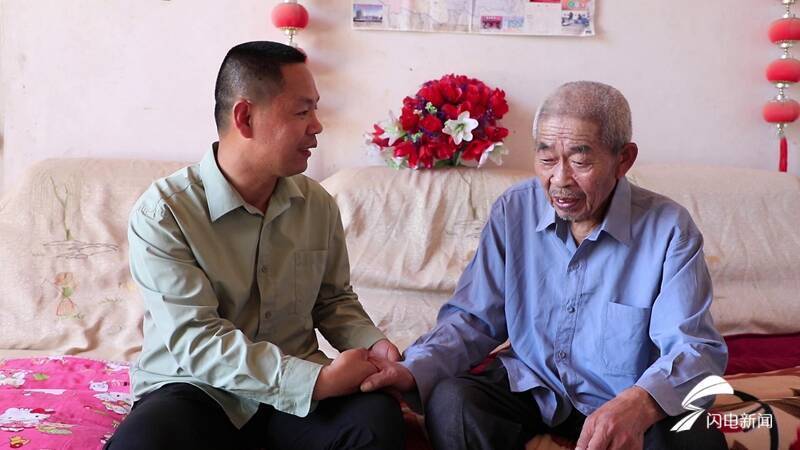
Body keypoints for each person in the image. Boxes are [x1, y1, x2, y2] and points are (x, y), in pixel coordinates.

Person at [361, 81, 728, 450]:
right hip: (532, 385)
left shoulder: (669, 229)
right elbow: (474, 318)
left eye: (580, 161)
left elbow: (694, 347)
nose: (560, 180)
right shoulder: (514, 210)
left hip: (622, 395)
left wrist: (640, 403)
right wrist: (413, 368)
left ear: (624, 160)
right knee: (452, 403)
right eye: (547, 159)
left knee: (695, 441)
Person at [106, 41, 404, 450]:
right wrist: (318, 382)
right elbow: (197, 340)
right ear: (245, 117)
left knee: (376, 423)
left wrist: (373, 344)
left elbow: (333, 300)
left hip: (298, 390)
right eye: (302, 111)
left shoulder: (316, 205)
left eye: (315, 110)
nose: (317, 126)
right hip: (198, 389)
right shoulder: (164, 213)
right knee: (143, 443)